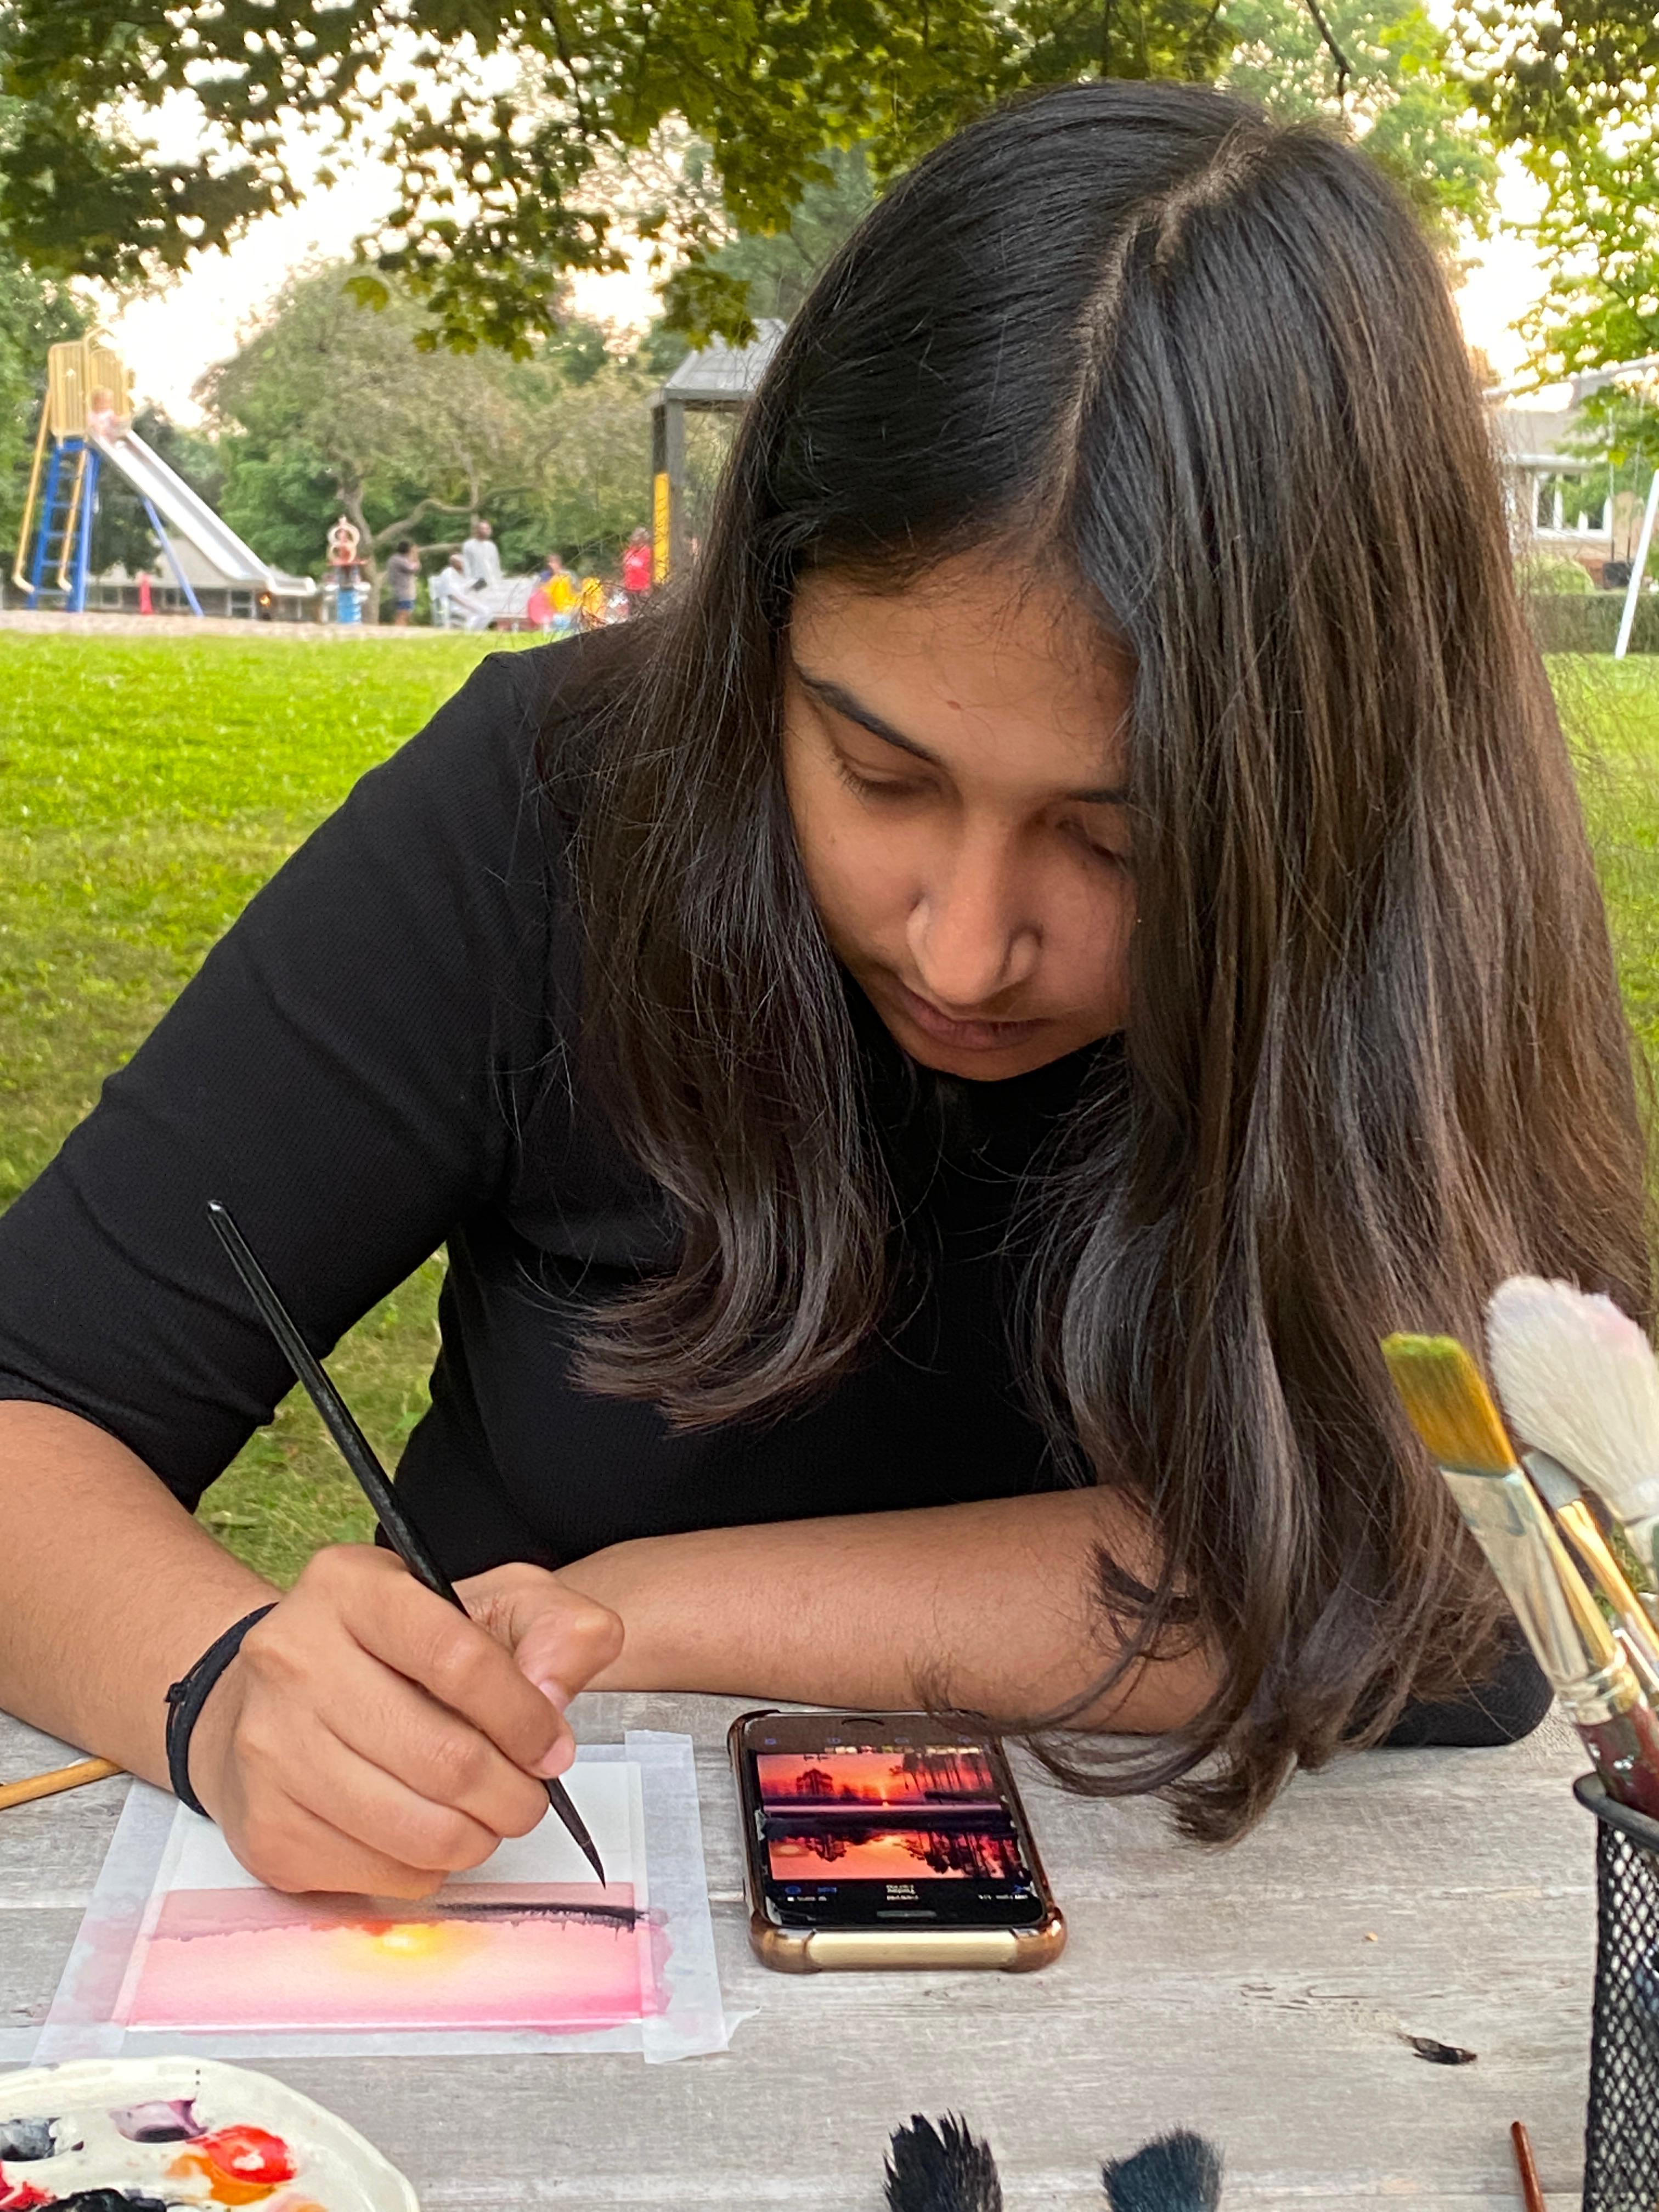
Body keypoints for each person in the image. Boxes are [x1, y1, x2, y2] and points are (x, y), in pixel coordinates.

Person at [0, 83, 1634, 1905]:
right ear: (764, 628)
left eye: (1123, 840)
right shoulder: (552, 811)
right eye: (877, 775)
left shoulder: (1425, 912)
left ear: (1333, 794)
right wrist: (226, 1699)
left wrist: (641, 1610)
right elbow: (26, 1401)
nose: (961, 946)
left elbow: (1485, 1578)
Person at [428, 553, 489, 634]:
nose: (464, 565)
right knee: (483, 612)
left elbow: (462, 589)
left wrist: (473, 587)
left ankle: (473, 631)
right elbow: (452, 594)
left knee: (485, 611)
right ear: (456, 563)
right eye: (462, 563)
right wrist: (467, 603)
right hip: (454, 604)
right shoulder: (449, 573)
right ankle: (469, 631)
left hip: (463, 602)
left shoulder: (458, 574)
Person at [460, 520, 503, 594]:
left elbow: (496, 564)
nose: (485, 531)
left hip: (491, 583)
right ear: (477, 530)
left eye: (487, 529)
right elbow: (466, 564)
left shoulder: (491, 546)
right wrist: (469, 582)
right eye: (483, 529)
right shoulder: (469, 545)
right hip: (476, 581)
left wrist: (498, 581)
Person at [386, 541, 422, 628]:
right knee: (404, 613)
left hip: (401, 591)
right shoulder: (399, 560)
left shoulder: (394, 559)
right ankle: (398, 630)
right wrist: (416, 556)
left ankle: (400, 628)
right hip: (404, 592)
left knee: (403, 613)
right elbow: (413, 568)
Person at [621, 528, 653, 604]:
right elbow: (625, 566)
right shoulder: (630, 552)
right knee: (632, 610)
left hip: (642, 588)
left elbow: (639, 565)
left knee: (642, 609)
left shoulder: (647, 552)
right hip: (630, 588)